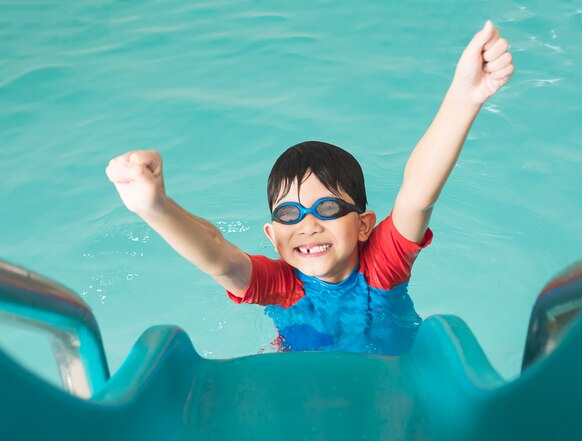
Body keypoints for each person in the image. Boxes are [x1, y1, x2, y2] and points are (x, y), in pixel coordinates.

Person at [105, 20, 514, 354]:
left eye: (329, 209)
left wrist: (464, 98)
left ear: (364, 225)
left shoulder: (382, 267)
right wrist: (154, 207)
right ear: (273, 235)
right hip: (304, 383)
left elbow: (417, 193)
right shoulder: (281, 285)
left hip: (394, 379)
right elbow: (219, 256)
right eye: (289, 215)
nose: (308, 225)